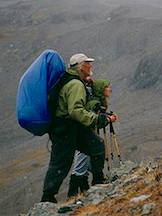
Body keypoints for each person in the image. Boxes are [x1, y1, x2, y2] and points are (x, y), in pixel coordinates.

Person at [41, 53, 118, 203]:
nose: (90, 66)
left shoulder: (72, 81)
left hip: (68, 128)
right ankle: (47, 198)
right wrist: (96, 119)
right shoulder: (76, 84)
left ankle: (98, 181)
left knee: (96, 146)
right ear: (81, 67)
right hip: (66, 128)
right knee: (61, 162)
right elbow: (75, 110)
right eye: (88, 64)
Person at [67, 78, 114, 197]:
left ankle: (82, 190)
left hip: (85, 135)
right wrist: (108, 119)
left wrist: (106, 118)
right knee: (82, 160)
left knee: (83, 160)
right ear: (100, 89)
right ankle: (75, 192)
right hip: (85, 135)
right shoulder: (94, 104)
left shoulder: (95, 101)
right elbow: (94, 121)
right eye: (106, 87)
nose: (109, 89)